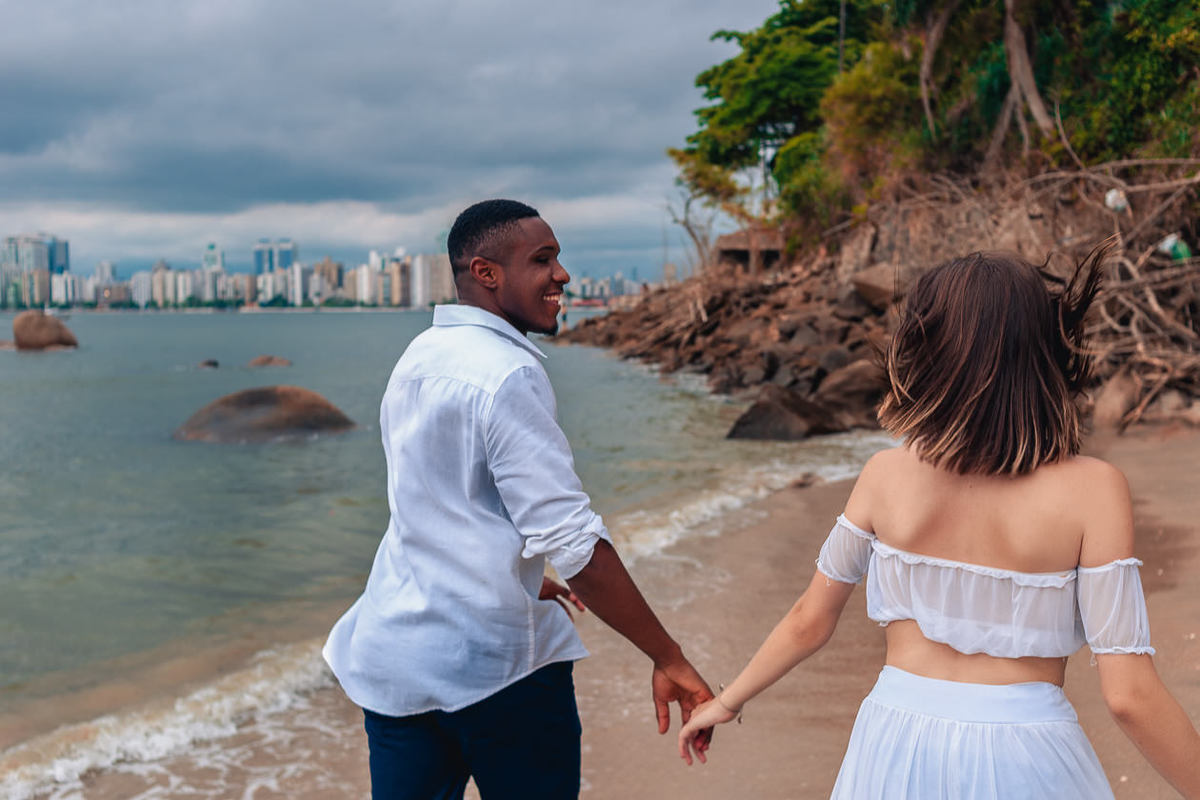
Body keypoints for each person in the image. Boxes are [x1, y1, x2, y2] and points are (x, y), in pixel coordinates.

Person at [677, 248, 1200, 798]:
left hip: (894, 741)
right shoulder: (1094, 489)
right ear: (1045, 350)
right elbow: (1127, 695)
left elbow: (811, 619)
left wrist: (727, 701)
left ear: (930, 352)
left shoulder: (885, 475)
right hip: (1030, 749)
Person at [323, 198, 712, 800]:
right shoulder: (508, 373)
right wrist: (670, 657)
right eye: (543, 259)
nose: (562, 276)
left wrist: (519, 571)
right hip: (494, 667)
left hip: (397, 658)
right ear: (486, 273)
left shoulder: (417, 358)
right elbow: (575, 544)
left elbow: (439, 504)